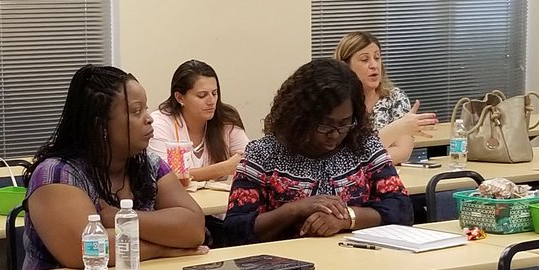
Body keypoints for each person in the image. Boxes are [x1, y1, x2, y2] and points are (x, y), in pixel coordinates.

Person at [24, 64, 208, 270]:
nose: (149, 118)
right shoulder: (56, 175)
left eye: (146, 108)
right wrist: (162, 248)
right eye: (137, 111)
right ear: (100, 125)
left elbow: (193, 229)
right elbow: (85, 250)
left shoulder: (148, 164)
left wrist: (117, 217)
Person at [225, 58, 413, 245]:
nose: (335, 134)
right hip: (283, 265)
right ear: (300, 118)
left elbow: (401, 208)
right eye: (326, 124)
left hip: (355, 261)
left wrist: (347, 218)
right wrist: (295, 209)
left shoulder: (363, 147)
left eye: (344, 123)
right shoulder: (263, 155)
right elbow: (234, 229)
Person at [333, 31, 437, 165]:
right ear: (345, 66)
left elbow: (403, 152)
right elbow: (342, 160)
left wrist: (361, 161)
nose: (374, 65)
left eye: (377, 58)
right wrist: (396, 128)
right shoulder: (336, 104)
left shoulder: (395, 98)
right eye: (365, 59)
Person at [149, 60, 249, 184]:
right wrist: (224, 168)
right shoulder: (160, 123)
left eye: (214, 93)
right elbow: (164, 176)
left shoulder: (226, 120)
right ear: (179, 97)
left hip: (216, 202)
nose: (211, 101)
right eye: (202, 95)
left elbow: (249, 161)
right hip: (175, 202)